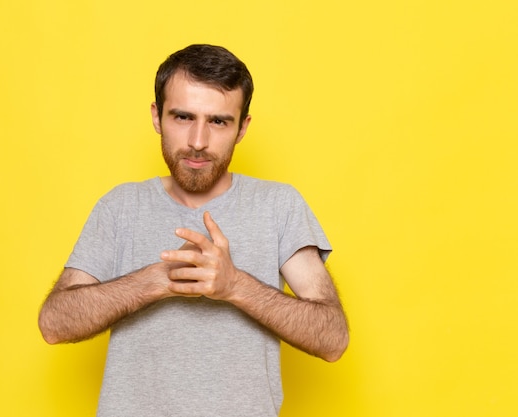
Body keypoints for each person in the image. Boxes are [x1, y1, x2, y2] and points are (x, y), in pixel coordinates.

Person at [38, 44, 348, 417]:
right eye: (183, 117)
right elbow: (53, 324)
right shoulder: (120, 207)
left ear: (242, 127)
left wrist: (235, 286)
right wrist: (156, 281)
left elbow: (333, 339)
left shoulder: (278, 206)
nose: (198, 142)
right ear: (157, 116)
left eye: (218, 121)